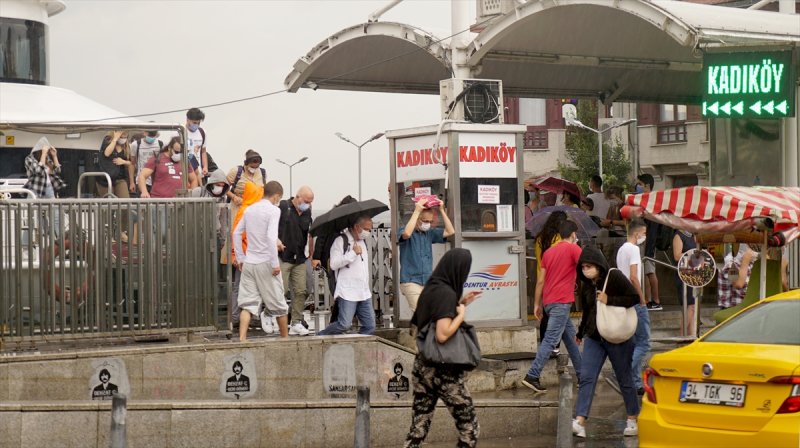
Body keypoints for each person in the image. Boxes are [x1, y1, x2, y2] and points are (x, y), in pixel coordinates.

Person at [404, 248, 481, 448]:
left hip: (422, 366)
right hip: (444, 370)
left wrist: (461, 303)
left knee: (418, 428)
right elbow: (442, 334)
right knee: (470, 428)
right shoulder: (446, 293)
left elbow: (420, 325)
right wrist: (461, 315)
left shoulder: (431, 289)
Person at [573, 245, 640, 439]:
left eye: (589, 266)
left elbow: (634, 298)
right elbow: (587, 311)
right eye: (583, 267)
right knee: (587, 376)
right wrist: (580, 332)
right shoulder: (587, 284)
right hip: (594, 337)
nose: (586, 270)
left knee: (624, 378)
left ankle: (632, 418)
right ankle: (580, 421)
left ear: (598, 265)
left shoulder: (614, 276)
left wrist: (609, 299)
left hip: (617, 336)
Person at [522, 220, 583, 393]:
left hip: (549, 302)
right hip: (562, 302)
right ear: (573, 234)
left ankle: (583, 376)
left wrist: (537, 304)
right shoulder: (573, 249)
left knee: (571, 340)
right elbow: (586, 268)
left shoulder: (548, 252)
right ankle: (532, 375)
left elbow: (540, 280)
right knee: (550, 340)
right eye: (576, 234)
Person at [233, 181, 288, 341]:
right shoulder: (274, 211)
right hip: (266, 262)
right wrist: (275, 264)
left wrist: (240, 257)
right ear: (276, 196)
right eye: (279, 198)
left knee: (248, 304)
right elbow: (271, 237)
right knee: (279, 304)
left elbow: (236, 233)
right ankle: (285, 339)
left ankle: (242, 339)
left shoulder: (249, 209)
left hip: (249, 262)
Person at [317, 214, 376, 336]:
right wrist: (352, 253)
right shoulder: (340, 241)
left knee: (370, 326)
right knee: (344, 324)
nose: (368, 232)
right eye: (366, 229)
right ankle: (320, 336)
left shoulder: (362, 242)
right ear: (357, 227)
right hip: (347, 291)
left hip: (363, 291)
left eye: (370, 230)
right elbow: (334, 264)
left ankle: (359, 344)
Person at [611, 218, 650, 396]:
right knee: (644, 342)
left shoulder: (621, 250)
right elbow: (634, 276)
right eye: (644, 233)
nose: (645, 236)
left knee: (634, 343)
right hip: (634, 300)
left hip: (625, 300)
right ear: (637, 233)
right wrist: (642, 297)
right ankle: (620, 373)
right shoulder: (634, 249)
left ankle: (635, 382)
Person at [398, 197, 455, 312]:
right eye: (425, 221)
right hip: (411, 280)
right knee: (421, 312)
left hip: (428, 280)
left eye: (430, 221)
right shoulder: (405, 230)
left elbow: (450, 231)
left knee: (431, 313)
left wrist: (442, 210)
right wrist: (417, 211)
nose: (427, 224)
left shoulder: (429, 233)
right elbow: (407, 234)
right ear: (417, 219)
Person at [277, 186, 315, 336]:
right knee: (282, 290)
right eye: (306, 201)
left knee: (301, 290)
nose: (308, 205)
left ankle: (296, 322)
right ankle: (272, 316)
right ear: (297, 197)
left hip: (300, 258)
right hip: (284, 256)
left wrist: (311, 253)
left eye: (310, 202)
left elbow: (309, 234)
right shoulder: (283, 207)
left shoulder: (307, 212)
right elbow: (271, 227)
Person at [533, 210, 568, 359]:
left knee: (546, 315)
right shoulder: (560, 239)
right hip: (557, 280)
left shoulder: (539, 238)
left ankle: (545, 345)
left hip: (542, 278)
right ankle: (554, 347)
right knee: (557, 315)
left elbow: (540, 261)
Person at [635, 174, 662, 310]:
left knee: (650, 272)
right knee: (645, 272)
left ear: (647, 186)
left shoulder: (651, 202)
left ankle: (656, 301)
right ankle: (647, 299)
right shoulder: (645, 201)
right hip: (644, 242)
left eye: (640, 184)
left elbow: (651, 227)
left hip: (649, 243)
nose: (637, 186)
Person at [225, 149, 267, 216]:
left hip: (256, 210)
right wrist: (234, 197)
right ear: (246, 163)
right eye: (252, 167)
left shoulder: (262, 173)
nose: (254, 169)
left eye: (257, 167)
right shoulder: (236, 171)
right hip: (238, 207)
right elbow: (224, 188)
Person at [673, 230, 698, 335]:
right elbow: (677, 256)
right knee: (690, 306)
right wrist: (691, 255)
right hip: (684, 274)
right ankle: (682, 335)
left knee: (692, 307)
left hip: (693, 274)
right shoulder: (678, 235)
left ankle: (690, 336)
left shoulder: (693, 235)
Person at [717, 243, 757, 309]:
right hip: (731, 309)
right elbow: (738, 284)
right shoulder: (730, 261)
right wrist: (745, 261)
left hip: (747, 308)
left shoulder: (751, 261)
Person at [97, 130, 135, 199]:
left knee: (125, 200)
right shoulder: (107, 140)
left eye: (125, 137)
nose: (123, 139)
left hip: (120, 178)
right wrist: (115, 139)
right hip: (105, 179)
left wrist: (123, 162)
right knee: (109, 202)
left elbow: (130, 163)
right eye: (121, 137)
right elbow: (107, 153)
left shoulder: (126, 146)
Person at [131, 129, 162, 194]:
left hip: (156, 180)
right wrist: (132, 182)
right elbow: (132, 163)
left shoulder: (160, 144)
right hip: (142, 180)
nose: (152, 138)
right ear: (144, 133)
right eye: (150, 136)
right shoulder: (136, 144)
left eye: (153, 136)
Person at [186, 107, 209, 180]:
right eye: (194, 123)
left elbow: (203, 151)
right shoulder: (180, 132)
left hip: (199, 173)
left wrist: (205, 167)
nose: (196, 125)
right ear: (187, 120)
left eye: (198, 123)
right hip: (186, 174)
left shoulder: (202, 132)